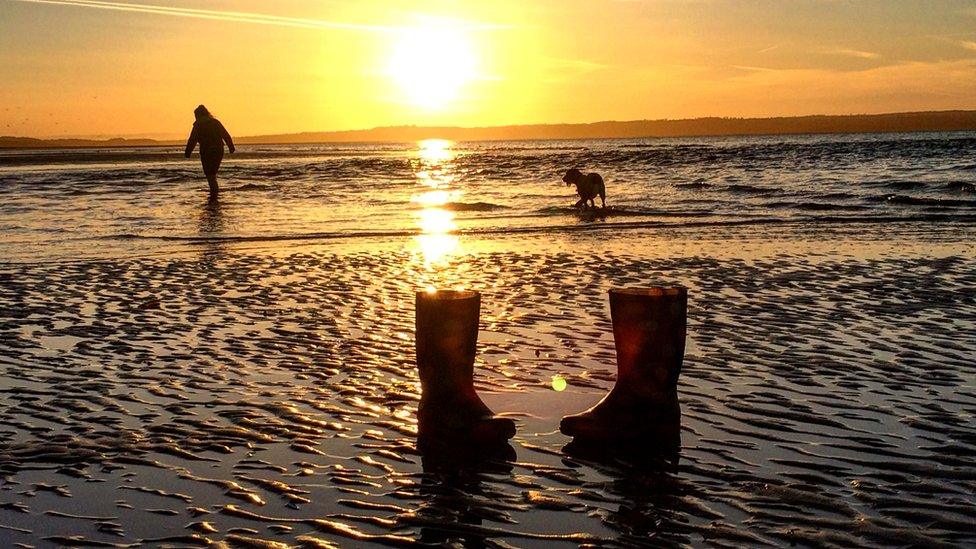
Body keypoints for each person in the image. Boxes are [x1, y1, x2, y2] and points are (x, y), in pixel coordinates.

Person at [184, 105, 234, 195]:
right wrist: (231, 147)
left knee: (210, 174)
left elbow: (192, 140)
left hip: (206, 151)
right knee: (212, 174)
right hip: (218, 150)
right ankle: (214, 192)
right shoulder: (215, 122)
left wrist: (188, 152)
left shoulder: (198, 125)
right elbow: (225, 135)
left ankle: (214, 193)